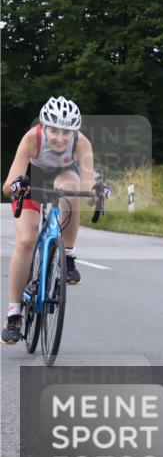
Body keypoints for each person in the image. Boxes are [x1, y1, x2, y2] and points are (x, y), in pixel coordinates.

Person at [2, 97, 98, 344]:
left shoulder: (81, 144)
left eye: (66, 132)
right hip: (31, 183)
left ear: (74, 132)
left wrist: (95, 193)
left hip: (62, 179)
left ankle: (68, 254)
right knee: (26, 240)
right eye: (54, 130)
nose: (59, 138)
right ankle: (14, 314)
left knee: (72, 187)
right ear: (44, 127)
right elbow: (6, 187)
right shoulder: (31, 139)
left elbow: (88, 186)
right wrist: (17, 185)